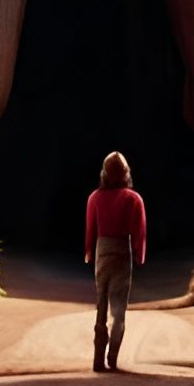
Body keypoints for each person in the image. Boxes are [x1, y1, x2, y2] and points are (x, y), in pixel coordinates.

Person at [84, 149, 146, 371]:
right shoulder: (134, 199)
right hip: (121, 251)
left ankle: (97, 359)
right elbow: (139, 230)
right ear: (126, 174)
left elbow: (91, 228)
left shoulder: (95, 198)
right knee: (118, 310)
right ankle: (112, 356)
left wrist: (88, 251)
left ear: (104, 174)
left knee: (101, 304)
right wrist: (139, 254)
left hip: (102, 250)